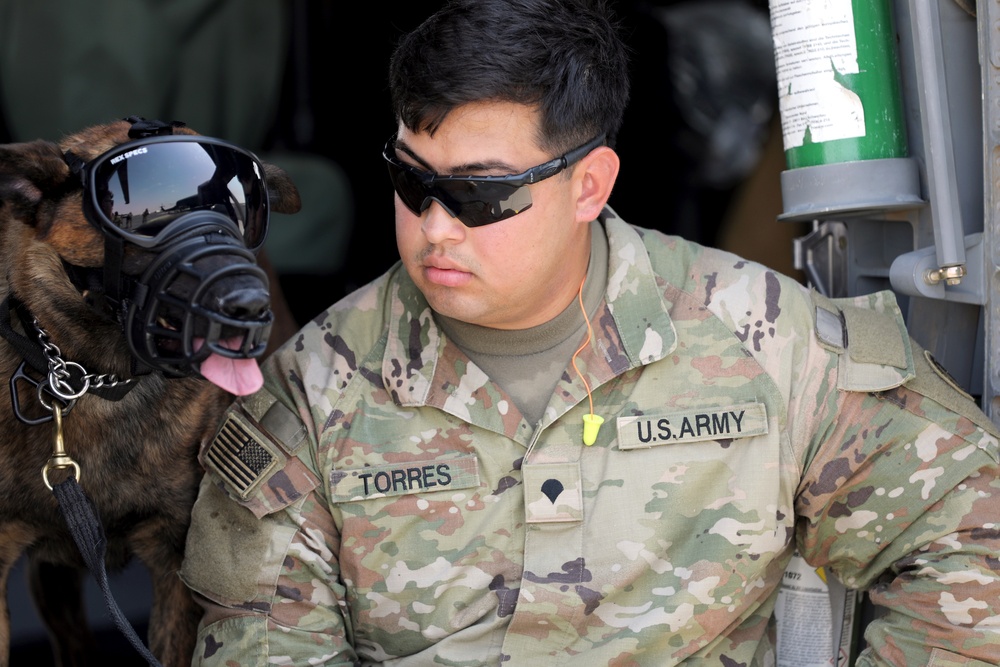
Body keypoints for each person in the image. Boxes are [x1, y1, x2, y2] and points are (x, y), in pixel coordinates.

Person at [178, 0, 1000, 664]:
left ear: (588, 185)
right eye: (409, 180)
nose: (433, 227)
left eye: (480, 195)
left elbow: (973, 531)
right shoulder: (308, 394)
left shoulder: (766, 340)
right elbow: (260, 643)